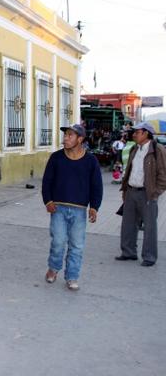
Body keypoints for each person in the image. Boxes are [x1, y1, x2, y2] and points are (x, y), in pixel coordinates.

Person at [42, 124, 103, 291]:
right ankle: (53, 269)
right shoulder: (56, 158)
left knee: (77, 245)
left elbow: (96, 185)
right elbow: (47, 181)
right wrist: (48, 201)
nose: (65, 138)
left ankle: (72, 276)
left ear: (80, 139)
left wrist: (94, 207)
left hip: (79, 210)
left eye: (70, 135)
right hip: (58, 209)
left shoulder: (90, 161)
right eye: (65, 135)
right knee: (58, 242)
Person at [115, 121, 166, 267]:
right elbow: (129, 169)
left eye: (137, 132)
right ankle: (128, 252)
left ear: (145, 133)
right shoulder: (134, 149)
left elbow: (163, 174)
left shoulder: (158, 150)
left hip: (147, 194)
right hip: (131, 191)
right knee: (128, 224)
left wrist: (156, 192)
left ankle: (149, 257)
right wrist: (125, 190)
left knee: (150, 227)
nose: (134, 134)